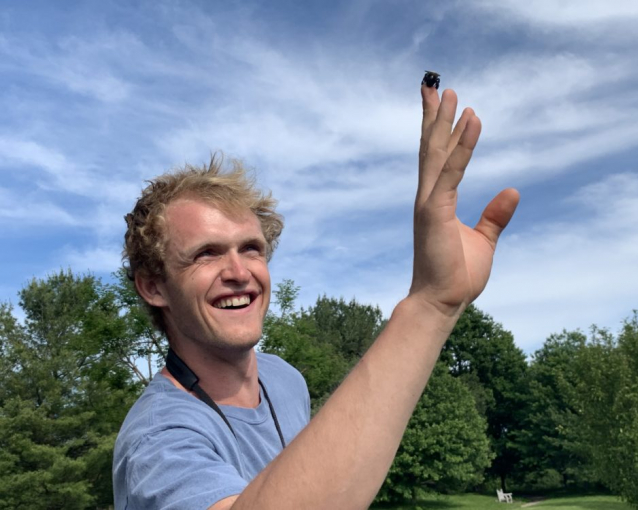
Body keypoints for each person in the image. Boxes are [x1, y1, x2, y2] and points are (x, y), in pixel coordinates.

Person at [113, 80, 520, 510]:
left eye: (251, 248)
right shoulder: (157, 440)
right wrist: (432, 305)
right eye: (206, 254)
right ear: (153, 286)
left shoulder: (285, 380)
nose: (238, 272)